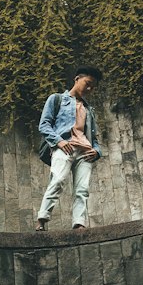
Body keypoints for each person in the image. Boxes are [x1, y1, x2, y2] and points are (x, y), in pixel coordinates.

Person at [35, 67, 103, 232]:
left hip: (85, 152)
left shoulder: (89, 110)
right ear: (77, 78)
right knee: (57, 180)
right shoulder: (57, 99)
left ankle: (79, 223)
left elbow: (94, 138)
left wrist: (97, 151)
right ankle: (42, 219)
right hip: (65, 147)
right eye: (88, 84)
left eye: (93, 87)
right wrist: (58, 141)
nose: (89, 89)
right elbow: (44, 125)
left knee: (82, 189)